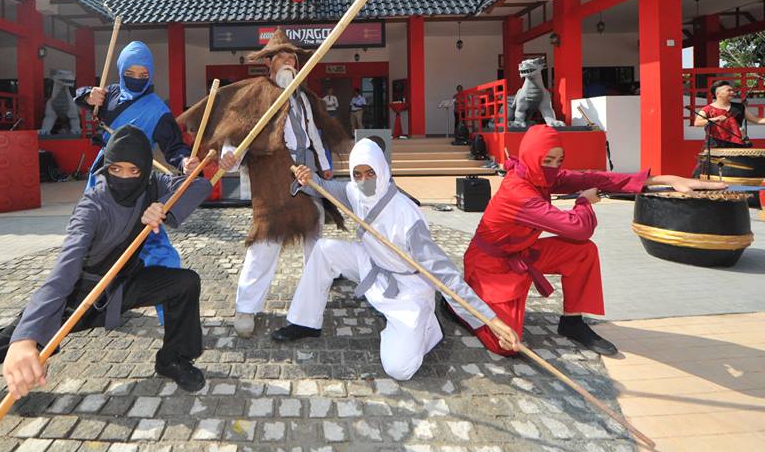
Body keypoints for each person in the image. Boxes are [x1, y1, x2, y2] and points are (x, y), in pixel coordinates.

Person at [0, 125, 236, 432]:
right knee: (2, 342)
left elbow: (193, 190)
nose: (124, 177)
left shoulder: (152, 185)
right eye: (115, 169)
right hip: (77, 294)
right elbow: (61, 274)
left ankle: (173, 359)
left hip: (121, 286)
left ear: (144, 171)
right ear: (106, 168)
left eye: (132, 170)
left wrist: (181, 193)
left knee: (184, 281)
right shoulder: (92, 206)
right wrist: (24, 341)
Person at [453, 124, 726, 357]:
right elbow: (577, 228)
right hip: (491, 266)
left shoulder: (538, 176)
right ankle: (460, 305)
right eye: (547, 160)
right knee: (505, 346)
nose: (554, 168)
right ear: (531, 156)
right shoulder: (519, 191)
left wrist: (664, 179)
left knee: (581, 252)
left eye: (558, 161)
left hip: (521, 253)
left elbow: (593, 177)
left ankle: (572, 321)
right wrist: (584, 201)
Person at [272, 139, 519, 380]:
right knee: (325, 249)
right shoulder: (355, 192)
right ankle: (305, 322)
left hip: (407, 286)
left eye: (370, 173)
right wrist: (308, 178)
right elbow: (324, 187)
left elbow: (446, 275)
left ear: (382, 169)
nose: (364, 181)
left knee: (398, 368)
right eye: (357, 174)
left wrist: (490, 320)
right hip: (372, 263)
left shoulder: (406, 216)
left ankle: (428, 329)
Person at [179, 28, 348, 338]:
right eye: (281, 57)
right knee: (266, 241)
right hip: (271, 173)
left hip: (306, 173)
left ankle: (316, 291)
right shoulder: (255, 92)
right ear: (269, 63)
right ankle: (246, 307)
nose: (288, 62)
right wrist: (229, 155)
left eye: (292, 58)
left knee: (316, 232)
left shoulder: (304, 98)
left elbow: (313, 136)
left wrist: (324, 167)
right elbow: (236, 128)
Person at [76, 40, 196, 183]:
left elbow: (174, 146)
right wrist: (89, 96)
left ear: (150, 75)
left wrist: (185, 161)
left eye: (143, 75)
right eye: (129, 73)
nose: (136, 79)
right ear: (120, 71)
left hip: (135, 175)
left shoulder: (158, 110)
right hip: (103, 170)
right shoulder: (111, 94)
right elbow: (81, 97)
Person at [693, 79, 765, 148]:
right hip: (715, 146)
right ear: (718, 94)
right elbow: (697, 123)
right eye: (729, 90)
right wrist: (716, 119)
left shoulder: (739, 107)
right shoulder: (707, 109)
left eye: (732, 90)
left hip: (737, 144)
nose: (732, 92)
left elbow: (757, 120)